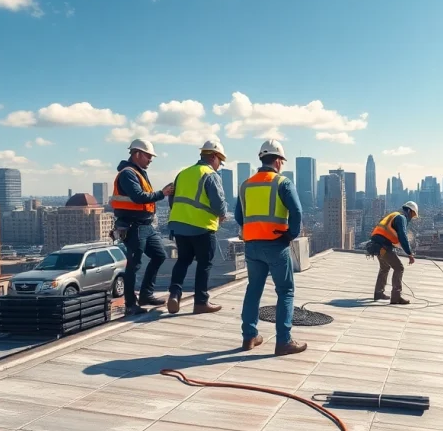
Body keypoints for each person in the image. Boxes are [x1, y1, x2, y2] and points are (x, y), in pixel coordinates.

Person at [236, 139, 306, 356]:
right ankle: (283, 341)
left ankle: (249, 337)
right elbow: (297, 212)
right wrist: (290, 235)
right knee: (285, 291)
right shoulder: (282, 183)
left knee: (253, 289)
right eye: (282, 161)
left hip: (252, 245)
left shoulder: (246, 184)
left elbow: (239, 216)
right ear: (277, 160)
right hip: (276, 244)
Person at [110, 139, 174, 316]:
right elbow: (138, 197)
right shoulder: (128, 173)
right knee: (134, 265)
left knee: (159, 256)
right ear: (137, 154)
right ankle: (131, 304)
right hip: (134, 226)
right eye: (148, 156)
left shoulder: (139, 172)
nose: (150, 159)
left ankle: (146, 294)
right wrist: (163, 193)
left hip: (145, 225)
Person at [165, 140, 230, 315]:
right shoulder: (209, 174)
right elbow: (218, 202)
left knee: (183, 260)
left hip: (179, 225)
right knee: (204, 263)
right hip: (202, 226)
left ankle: (174, 294)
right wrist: (222, 214)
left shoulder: (182, 173)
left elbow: (172, 199)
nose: (219, 166)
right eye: (220, 162)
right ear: (214, 157)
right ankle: (201, 301)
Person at [367, 201, 418, 304]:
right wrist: (409, 254)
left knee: (385, 267)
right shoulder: (401, 218)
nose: (412, 217)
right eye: (413, 214)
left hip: (376, 245)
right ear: (409, 210)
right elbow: (402, 236)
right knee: (399, 268)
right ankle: (396, 297)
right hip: (383, 247)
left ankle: (378, 293)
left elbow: (388, 234)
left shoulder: (394, 215)